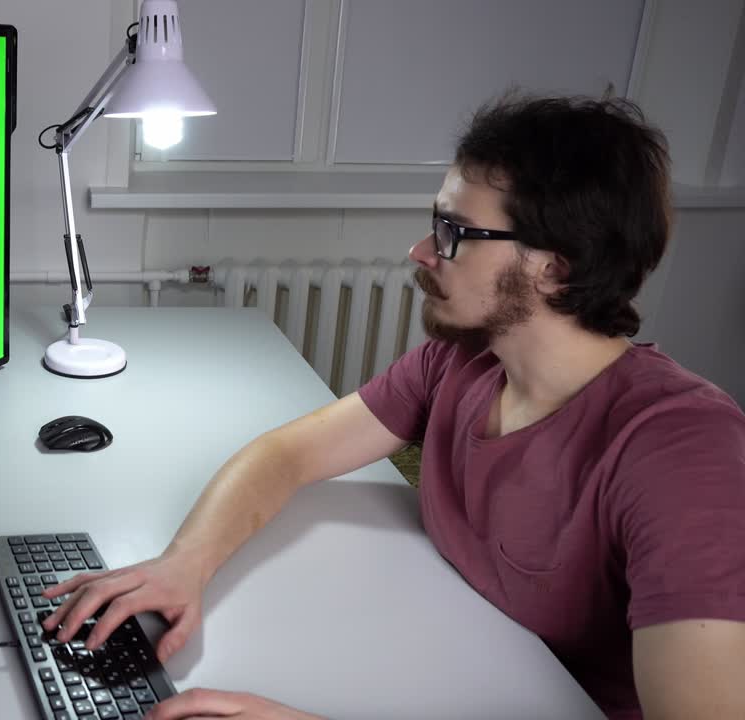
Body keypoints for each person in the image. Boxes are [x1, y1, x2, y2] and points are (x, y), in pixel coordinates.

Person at [42, 93, 745, 720]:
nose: (419, 251)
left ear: (553, 266)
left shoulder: (683, 450)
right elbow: (287, 454)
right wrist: (183, 564)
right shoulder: (465, 359)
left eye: (453, 234)